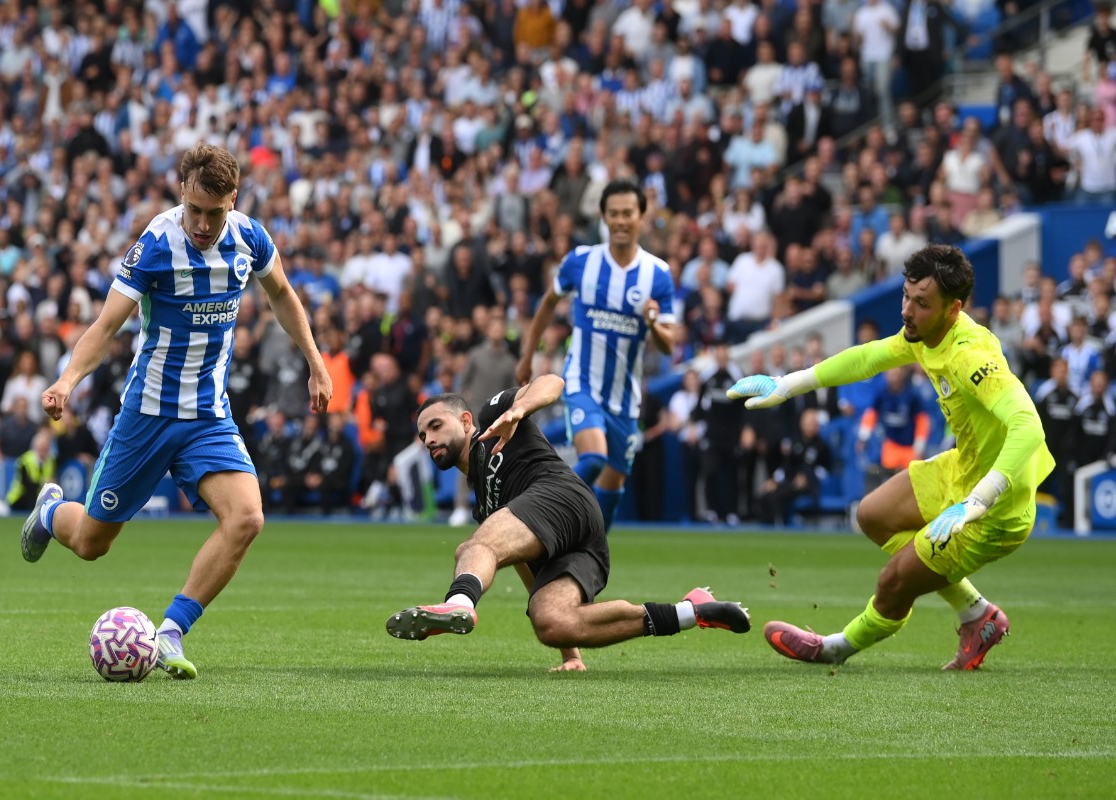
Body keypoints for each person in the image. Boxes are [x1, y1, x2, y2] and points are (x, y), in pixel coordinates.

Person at [19, 143, 334, 679]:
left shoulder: (250, 238)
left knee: (247, 518)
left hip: (208, 415)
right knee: (92, 544)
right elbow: (106, 325)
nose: (204, 225)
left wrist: (315, 360)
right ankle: (51, 511)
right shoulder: (156, 243)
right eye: (195, 211)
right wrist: (67, 380)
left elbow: (283, 296)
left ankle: (170, 631)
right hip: (147, 413)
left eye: (216, 213)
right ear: (181, 192)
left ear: (233, 200)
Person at [729, 244, 1054, 670]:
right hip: (961, 466)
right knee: (873, 515)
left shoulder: (971, 356)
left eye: (921, 303)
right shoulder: (925, 333)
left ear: (953, 309)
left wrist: (979, 500)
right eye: (906, 296)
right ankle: (978, 615)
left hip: (997, 508)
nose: (906, 310)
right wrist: (789, 383)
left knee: (894, 582)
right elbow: (868, 357)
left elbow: (1029, 426)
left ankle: (834, 648)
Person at [387, 376, 750, 670]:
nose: (429, 439)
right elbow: (526, 565)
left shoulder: (493, 418)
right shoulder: (484, 504)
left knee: (470, 547)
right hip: (579, 544)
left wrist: (519, 409)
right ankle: (692, 611)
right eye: (422, 436)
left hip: (561, 496)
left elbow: (553, 382)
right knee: (552, 623)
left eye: (435, 426)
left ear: (465, 421)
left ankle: (460, 602)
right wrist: (569, 653)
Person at [515, 179, 678, 533]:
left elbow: (669, 343)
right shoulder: (581, 262)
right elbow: (547, 305)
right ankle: (538, 518)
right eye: (614, 214)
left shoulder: (658, 274)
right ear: (604, 217)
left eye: (628, 214)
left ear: (640, 217)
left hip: (625, 395)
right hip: (581, 381)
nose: (621, 221)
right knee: (594, 457)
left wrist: (652, 321)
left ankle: (587, 552)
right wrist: (528, 356)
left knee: (615, 482)